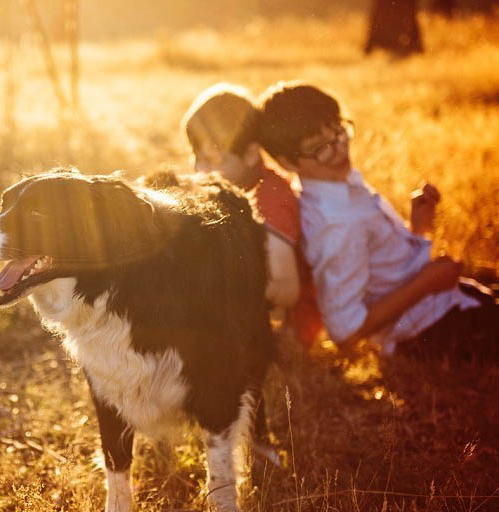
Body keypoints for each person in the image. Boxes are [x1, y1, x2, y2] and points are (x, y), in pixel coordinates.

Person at [258, 81, 499, 359]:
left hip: (446, 300)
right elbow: (345, 331)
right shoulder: (335, 224)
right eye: (320, 148)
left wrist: (419, 228)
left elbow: (382, 269)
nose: (339, 150)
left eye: (339, 131)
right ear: (288, 163)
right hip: (434, 329)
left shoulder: (338, 186)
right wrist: (427, 283)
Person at [181, 83, 303, 313]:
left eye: (213, 160)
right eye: (195, 157)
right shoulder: (233, 188)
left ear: (250, 154)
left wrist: (222, 289)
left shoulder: (269, 201)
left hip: (286, 327)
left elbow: (288, 290)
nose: (200, 169)